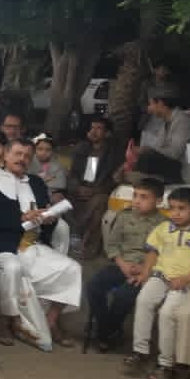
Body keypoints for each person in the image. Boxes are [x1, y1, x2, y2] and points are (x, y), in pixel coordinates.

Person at [0, 140, 83, 350]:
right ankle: (5, 320)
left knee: (72, 268)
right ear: (5, 155)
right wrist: (21, 218)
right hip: (1, 244)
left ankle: (51, 320)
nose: (21, 159)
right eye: (17, 154)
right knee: (12, 267)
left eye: (26, 156)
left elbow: (43, 215)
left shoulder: (36, 182)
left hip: (32, 244)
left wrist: (49, 219)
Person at [122, 187, 190, 379]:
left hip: (185, 281)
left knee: (167, 313)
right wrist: (145, 272)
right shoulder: (163, 228)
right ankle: (140, 351)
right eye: (172, 208)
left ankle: (166, 364)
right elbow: (153, 252)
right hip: (160, 275)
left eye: (181, 209)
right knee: (143, 300)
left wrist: (186, 278)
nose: (175, 213)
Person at [86, 177, 164, 352]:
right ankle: (108, 330)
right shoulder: (124, 216)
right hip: (122, 264)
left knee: (123, 295)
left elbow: (165, 255)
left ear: (158, 201)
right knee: (93, 286)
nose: (136, 201)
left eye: (144, 197)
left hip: (146, 271)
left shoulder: (164, 225)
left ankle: (104, 332)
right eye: (135, 195)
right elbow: (112, 245)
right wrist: (122, 264)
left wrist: (145, 269)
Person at [67, 115, 123, 258]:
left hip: (99, 191)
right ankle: (76, 238)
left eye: (98, 128)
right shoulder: (82, 148)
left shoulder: (114, 153)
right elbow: (72, 174)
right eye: (92, 127)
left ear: (107, 133)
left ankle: (87, 244)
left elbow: (114, 180)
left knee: (100, 202)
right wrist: (78, 188)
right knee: (63, 200)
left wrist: (95, 190)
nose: (94, 131)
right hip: (80, 189)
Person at [135, 86, 190, 184]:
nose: (149, 108)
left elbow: (173, 153)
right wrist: (141, 151)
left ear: (160, 103)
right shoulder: (166, 122)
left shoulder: (184, 121)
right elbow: (158, 147)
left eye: (151, 104)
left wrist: (147, 150)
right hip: (179, 168)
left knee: (147, 158)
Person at [29, 133, 67, 200]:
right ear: (34, 149)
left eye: (48, 150)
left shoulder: (58, 167)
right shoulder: (29, 163)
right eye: (40, 149)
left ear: (53, 151)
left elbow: (60, 185)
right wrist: (45, 180)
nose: (43, 153)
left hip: (49, 196)